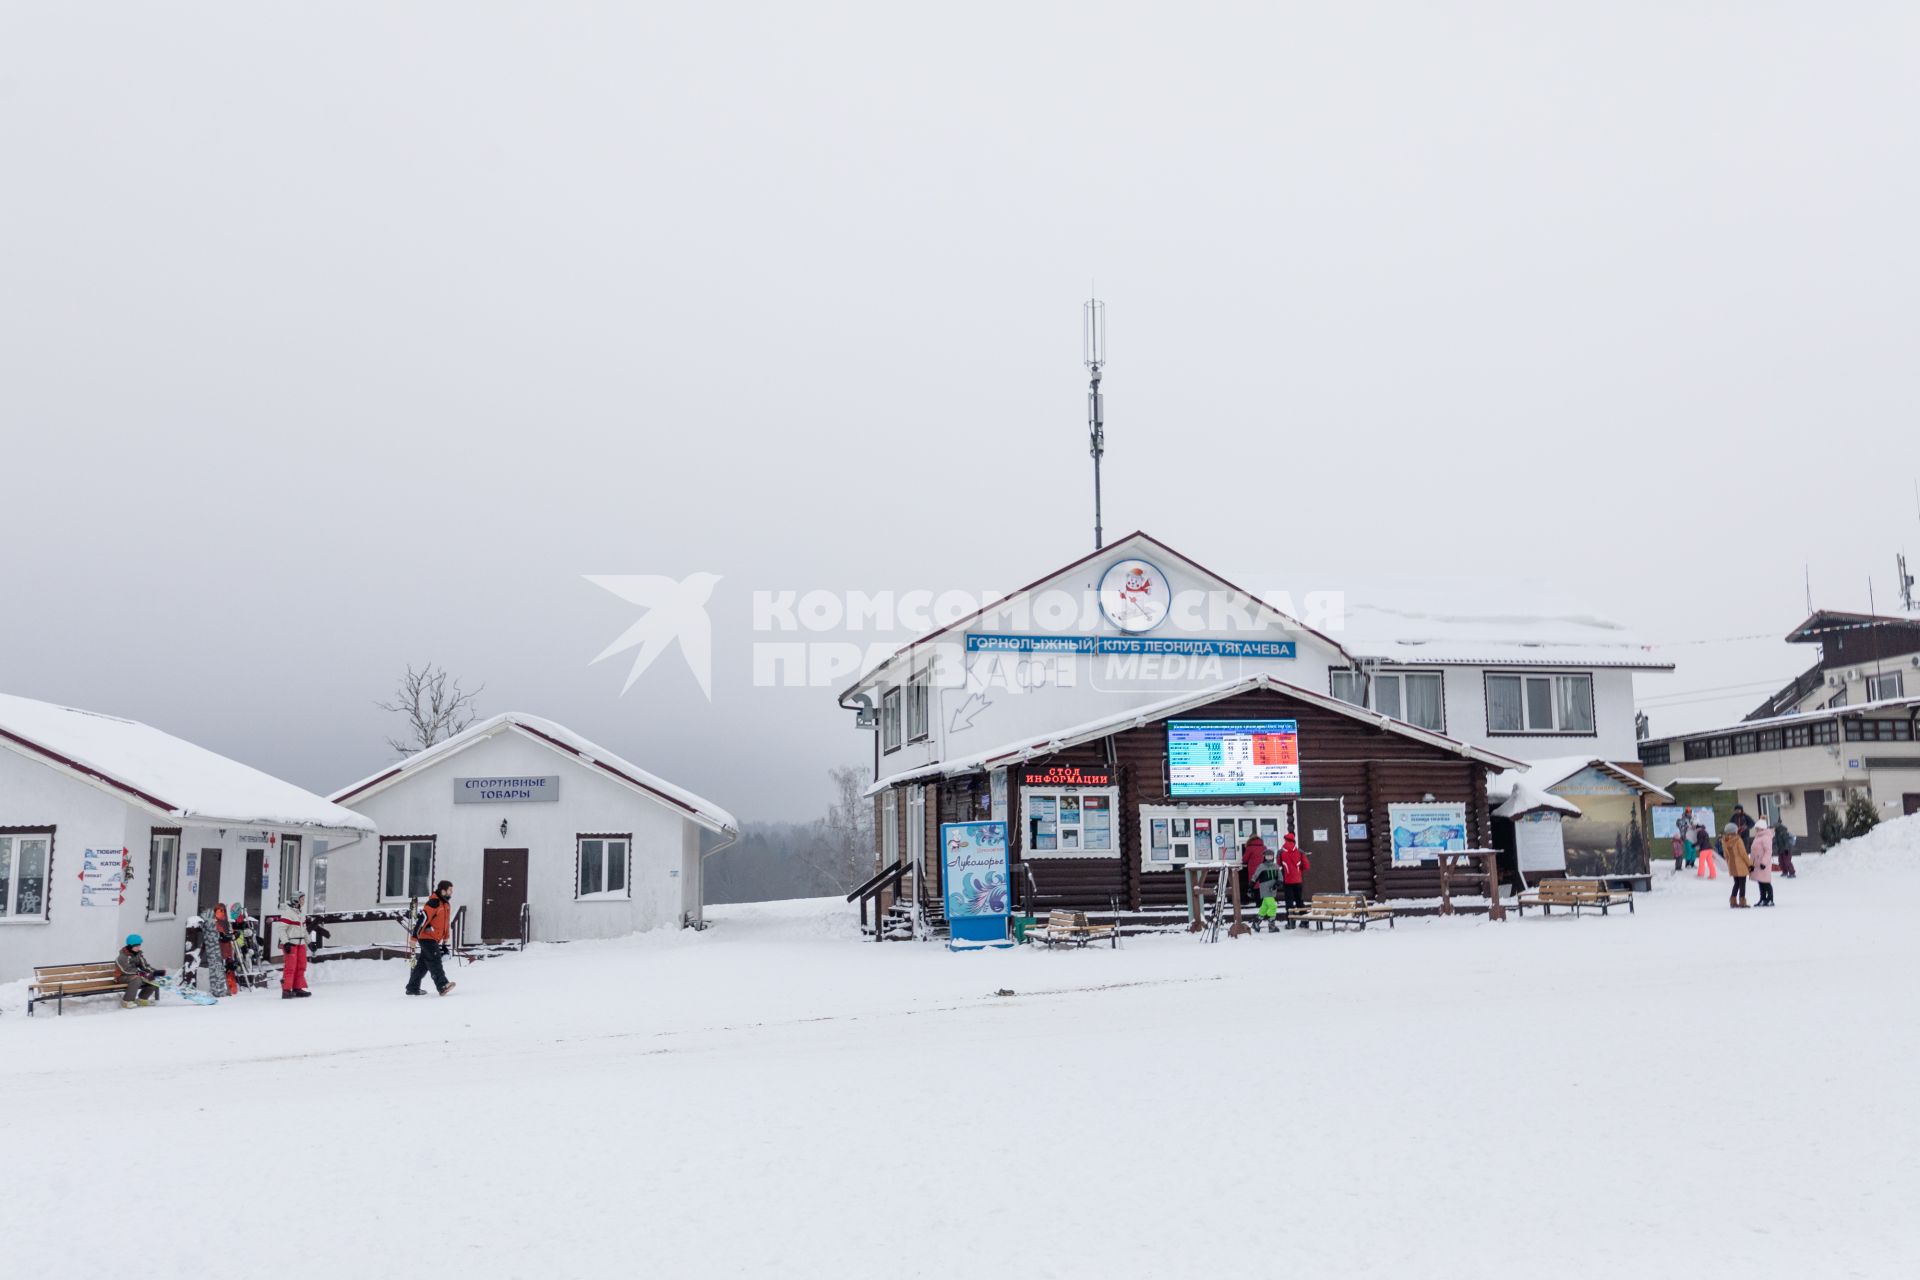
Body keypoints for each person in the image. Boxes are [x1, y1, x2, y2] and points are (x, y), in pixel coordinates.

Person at [405, 880, 459, 997]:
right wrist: (414, 938)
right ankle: (442, 985)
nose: (451, 893)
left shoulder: (445, 904)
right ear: (443, 890)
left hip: (434, 938)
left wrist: (445, 938)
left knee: (423, 965)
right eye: (450, 890)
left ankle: (412, 988)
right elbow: (422, 920)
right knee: (435, 961)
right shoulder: (433, 903)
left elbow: (444, 923)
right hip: (426, 937)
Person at [273, 891, 313, 999]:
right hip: (291, 943)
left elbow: (304, 930)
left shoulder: (301, 913)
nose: (303, 901)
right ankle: (286, 990)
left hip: (301, 944)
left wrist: (310, 942)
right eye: (302, 899)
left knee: (301, 966)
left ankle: (297, 988)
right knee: (290, 967)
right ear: (296, 900)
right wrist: (286, 943)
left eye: (304, 899)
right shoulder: (288, 913)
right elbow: (281, 930)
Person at [117, 934, 163, 1008]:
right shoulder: (122, 957)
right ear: (130, 946)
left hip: (135, 975)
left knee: (153, 978)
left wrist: (154, 972)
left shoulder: (138, 955)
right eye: (136, 946)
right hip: (121, 977)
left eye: (139, 946)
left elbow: (145, 966)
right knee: (137, 979)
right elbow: (125, 970)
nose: (138, 948)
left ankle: (142, 999)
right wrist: (139, 973)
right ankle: (127, 1001)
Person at [1278, 831, 1312, 929]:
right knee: (1299, 901)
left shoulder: (1280, 852)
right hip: (1298, 880)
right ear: (1294, 840)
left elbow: (1279, 865)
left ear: (1285, 840)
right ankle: (1304, 921)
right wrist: (1298, 870)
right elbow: (1306, 866)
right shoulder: (1300, 852)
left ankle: (1291, 923)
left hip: (1287, 880)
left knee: (1289, 902)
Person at [1250, 848, 1283, 933]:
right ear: (1264, 857)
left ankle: (1256, 923)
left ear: (1273, 857)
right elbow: (1255, 876)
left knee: (1265, 907)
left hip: (1273, 890)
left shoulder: (1276, 866)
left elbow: (1280, 878)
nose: (1269, 857)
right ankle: (1272, 926)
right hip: (1265, 889)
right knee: (1273, 906)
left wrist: (1277, 884)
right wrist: (1250, 887)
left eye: (1271, 856)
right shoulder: (1262, 866)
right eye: (1267, 856)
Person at [1722, 822, 1751, 908]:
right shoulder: (1738, 839)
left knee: (1736, 883)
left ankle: (1733, 901)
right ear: (1735, 830)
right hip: (1740, 864)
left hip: (1732, 864)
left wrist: (1729, 863)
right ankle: (1742, 901)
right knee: (1742, 883)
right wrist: (1750, 864)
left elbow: (1726, 855)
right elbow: (1743, 854)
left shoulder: (1724, 840)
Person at [214, 902, 239, 996]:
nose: (222, 913)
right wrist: (230, 937)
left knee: (230, 968)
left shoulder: (226, 923)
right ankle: (221, 988)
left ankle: (231, 988)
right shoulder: (215, 924)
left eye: (223, 911)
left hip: (227, 949)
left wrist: (235, 934)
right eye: (220, 911)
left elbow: (229, 934)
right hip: (219, 950)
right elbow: (221, 937)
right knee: (222, 969)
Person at [1750, 824, 1776, 907]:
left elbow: (1768, 851)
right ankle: (1763, 899)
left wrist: (1763, 863)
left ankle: (1770, 899)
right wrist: (1751, 864)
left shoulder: (1766, 837)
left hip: (1763, 864)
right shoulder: (1757, 837)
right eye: (1756, 828)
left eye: (1757, 828)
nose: (1756, 830)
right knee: (1760, 882)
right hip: (1757, 863)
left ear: (1762, 828)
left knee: (1766, 882)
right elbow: (1753, 852)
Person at [1240, 835, 1269, 911]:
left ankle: (1259, 905)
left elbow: (1244, 859)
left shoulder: (1250, 848)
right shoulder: (1264, 848)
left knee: (1256, 887)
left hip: (1254, 870)